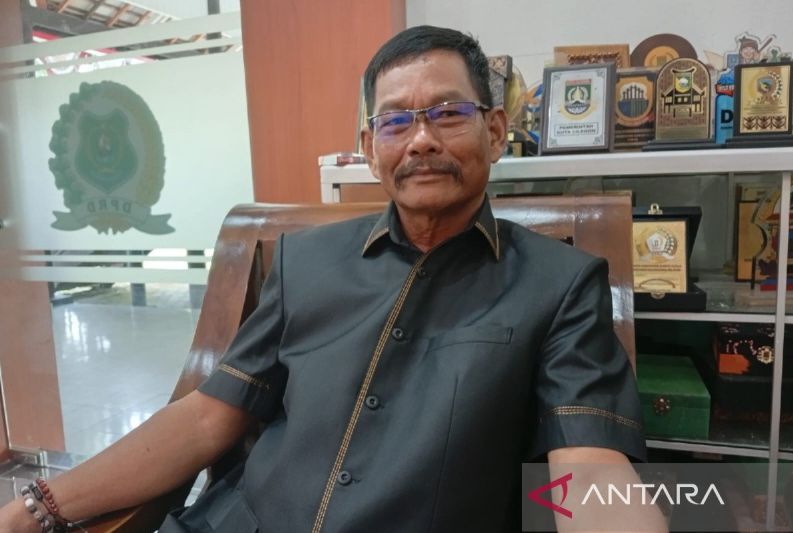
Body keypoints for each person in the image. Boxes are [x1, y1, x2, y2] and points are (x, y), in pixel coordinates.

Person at [0, 25, 652, 532]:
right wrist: (37, 507)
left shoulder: (560, 285)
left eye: (448, 113)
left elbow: (590, 462)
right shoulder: (304, 261)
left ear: (496, 131)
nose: (420, 140)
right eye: (395, 120)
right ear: (369, 148)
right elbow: (207, 416)